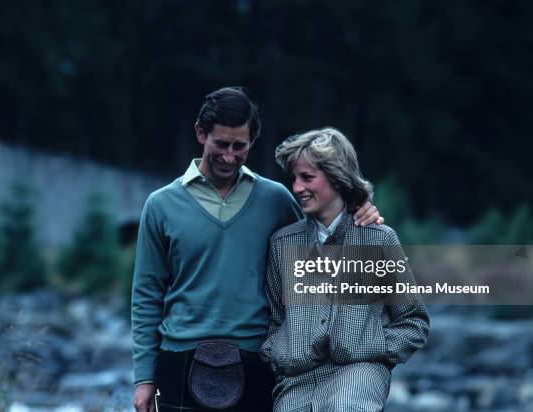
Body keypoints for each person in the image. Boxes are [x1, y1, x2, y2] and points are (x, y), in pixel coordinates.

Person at [131, 88, 383, 412]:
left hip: (256, 363)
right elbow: (147, 295)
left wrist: (360, 211)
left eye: (240, 146)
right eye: (220, 144)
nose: (229, 155)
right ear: (200, 133)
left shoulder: (276, 200)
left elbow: (323, 243)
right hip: (178, 360)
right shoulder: (161, 205)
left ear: (253, 141)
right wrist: (143, 379)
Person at [260, 127, 430, 411]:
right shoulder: (282, 243)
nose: (297, 188)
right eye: (294, 178)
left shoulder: (379, 239)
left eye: (307, 177)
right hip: (295, 381)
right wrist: (278, 352)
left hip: (360, 375)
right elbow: (275, 321)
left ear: (337, 178)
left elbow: (414, 323)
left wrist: (371, 346)